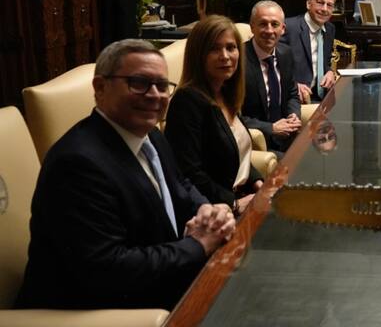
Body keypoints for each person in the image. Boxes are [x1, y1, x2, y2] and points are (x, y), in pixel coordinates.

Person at [15, 40, 235, 310]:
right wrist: (198, 245)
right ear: (100, 88)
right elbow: (109, 268)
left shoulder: (149, 133)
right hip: (100, 309)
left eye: (162, 85)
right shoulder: (77, 164)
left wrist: (208, 211)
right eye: (139, 82)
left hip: (162, 283)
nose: (154, 94)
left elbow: (180, 184)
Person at [165, 15, 263, 216]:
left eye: (231, 47)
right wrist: (234, 203)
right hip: (214, 212)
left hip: (242, 199)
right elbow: (188, 173)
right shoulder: (187, 101)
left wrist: (257, 181)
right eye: (214, 49)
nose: (225, 56)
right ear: (198, 55)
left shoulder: (226, 92)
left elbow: (237, 148)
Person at [241, 1, 302, 154]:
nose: (269, 30)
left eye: (275, 24)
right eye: (263, 24)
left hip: (288, 137)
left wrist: (294, 115)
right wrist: (271, 128)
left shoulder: (286, 53)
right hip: (259, 142)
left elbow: (293, 94)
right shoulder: (237, 60)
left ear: (283, 29)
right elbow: (231, 116)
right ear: (252, 27)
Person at [281, 0, 337, 103]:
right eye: (320, 2)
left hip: (320, 97)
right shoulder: (289, 27)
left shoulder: (330, 29)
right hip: (293, 98)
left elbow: (324, 62)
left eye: (330, 5)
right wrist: (294, 86)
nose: (324, 9)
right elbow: (274, 65)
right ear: (308, 3)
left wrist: (330, 72)